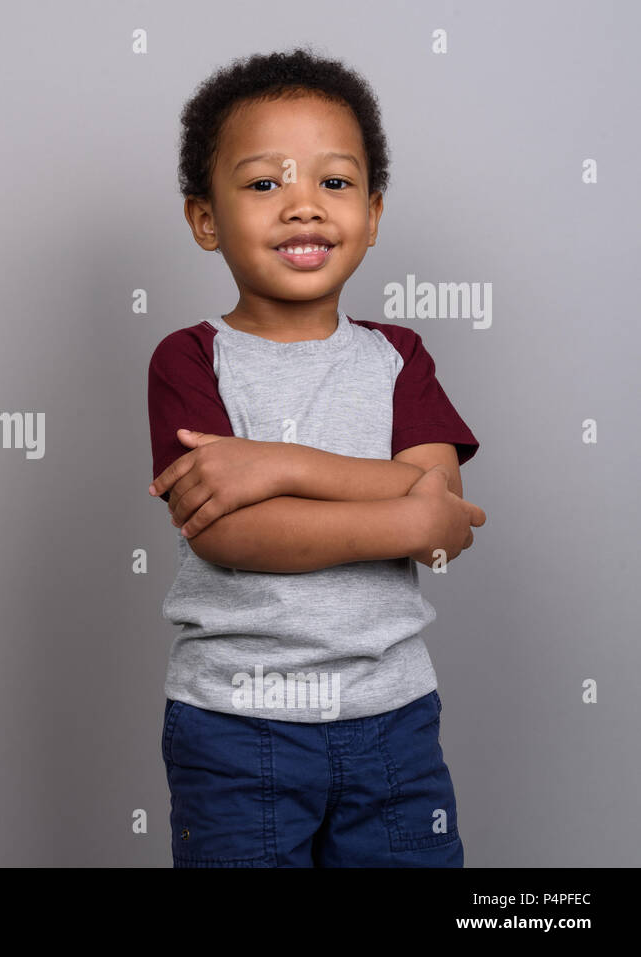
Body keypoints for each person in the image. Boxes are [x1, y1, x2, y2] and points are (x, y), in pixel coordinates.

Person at [146, 47, 487, 867]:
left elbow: (447, 525)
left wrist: (279, 466)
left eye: (333, 183)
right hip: (238, 727)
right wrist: (404, 508)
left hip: (393, 720)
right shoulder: (188, 360)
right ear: (204, 218)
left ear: (371, 214)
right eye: (266, 184)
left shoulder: (399, 356)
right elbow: (230, 536)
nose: (303, 206)